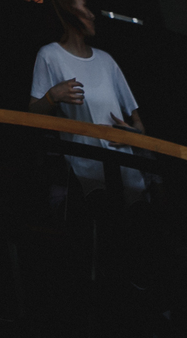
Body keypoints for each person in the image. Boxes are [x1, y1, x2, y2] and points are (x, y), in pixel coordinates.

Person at [29, 0, 148, 200]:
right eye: (85, 6)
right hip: (85, 175)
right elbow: (32, 116)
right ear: (67, 10)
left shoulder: (106, 60)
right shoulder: (50, 55)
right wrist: (52, 96)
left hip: (126, 173)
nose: (92, 15)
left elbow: (139, 126)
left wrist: (131, 135)